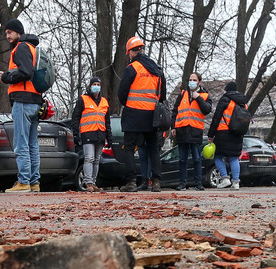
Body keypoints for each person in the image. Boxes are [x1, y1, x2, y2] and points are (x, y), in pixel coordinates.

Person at [0, 18, 43, 192]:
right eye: (6, 33)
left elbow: (25, 72)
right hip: (34, 100)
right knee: (32, 145)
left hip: (23, 101)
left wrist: (6, 77)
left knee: (21, 144)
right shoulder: (32, 48)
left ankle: (23, 182)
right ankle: (34, 182)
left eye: (9, 32)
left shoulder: (21, 48)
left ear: (18, 32)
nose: (7, 36)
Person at [117, 36, 166, 192]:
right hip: (151, 115)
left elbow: (122, 93)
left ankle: (131, 182)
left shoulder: (132, 68)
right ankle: (156, 182)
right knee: (153, 148)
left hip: (133, 113)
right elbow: (162, 95)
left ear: (131, 52)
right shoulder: (157, 70)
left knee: (129, 148)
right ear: (142, 50)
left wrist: (130, 103)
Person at [171, 72, 212, 190]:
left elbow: (207, 110)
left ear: (199, 82)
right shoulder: (183, 94)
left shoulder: (204, 95)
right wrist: (173, 126)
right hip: (182, 130)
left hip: (195, 130)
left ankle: (198, 183)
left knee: (197, 159)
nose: (192, 82)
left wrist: (198, 98)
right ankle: (182, 183)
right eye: (190, 79)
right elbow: (175, 111)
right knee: (182, 159)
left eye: (194, 80)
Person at [71, 76, 112, 192]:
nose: (96, 87)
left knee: (96, 160)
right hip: (87, 133)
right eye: (94, 84)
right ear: (90, 86)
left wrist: (109, 137)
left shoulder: (104, 102)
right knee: (89, 158)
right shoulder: (83, 99)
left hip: (100, 134)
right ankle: (88, 182)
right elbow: (75, 118)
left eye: (98, 85)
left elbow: (107, 121)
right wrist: (76, 134)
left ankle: (93, 182)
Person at [207, 81, 248, 189]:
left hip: (223, 132)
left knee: (218, 156)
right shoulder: (243, 102)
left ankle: (225, 178)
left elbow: (217, 117)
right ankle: (236, 182)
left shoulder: (225, 99)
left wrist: (211, 134)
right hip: (238, 133)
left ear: (227, 89)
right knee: (234, 158)